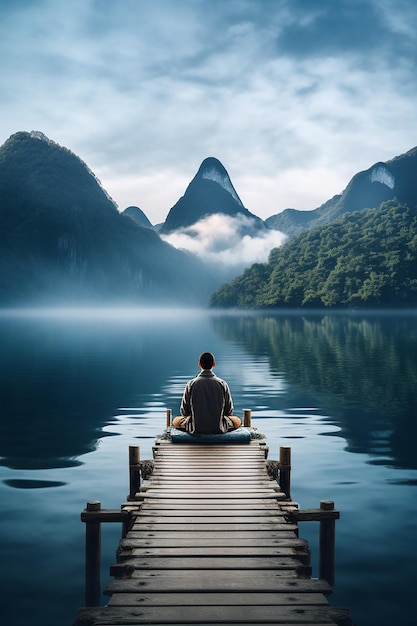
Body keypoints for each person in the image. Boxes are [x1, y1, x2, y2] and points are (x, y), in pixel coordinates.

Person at [172, 352, 242, 434]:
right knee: (237, 420)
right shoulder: (222, 384)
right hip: (219, 428)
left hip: (195, 428)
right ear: (214, 364)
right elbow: (229, 411)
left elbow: (184, 411)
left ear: (199, 364)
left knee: (176, 420)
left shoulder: (191, 384)